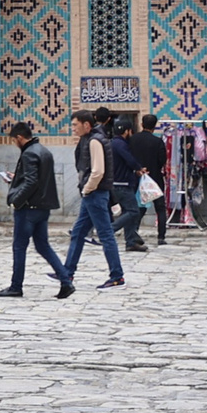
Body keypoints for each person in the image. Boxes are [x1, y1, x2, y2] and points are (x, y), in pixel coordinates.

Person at [0, 119, 66, 298]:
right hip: (43, 207)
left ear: (19, 137)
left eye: (14, 140)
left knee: (19, 246)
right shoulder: (44, 151)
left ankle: (16, 286)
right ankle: (66, 280)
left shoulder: (28, 154)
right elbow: (36, 179)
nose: (14, 144)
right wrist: (16, 177)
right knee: (42, 245)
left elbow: (32, 182)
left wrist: (16, 201)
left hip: (29, 209)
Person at [56, 110, 121, 293]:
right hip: (91, 195)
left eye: (76, 125)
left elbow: (98, 171)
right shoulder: (91, 139)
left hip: (95, 194)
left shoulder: (94, 141)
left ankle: (117, 276)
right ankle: (67, 272)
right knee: (78, 233)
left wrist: (87, 189)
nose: (73, 128)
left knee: (106, 235)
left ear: (87, 125)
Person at [102, 111, 147, 255]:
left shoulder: (111, 143)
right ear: (127, 131)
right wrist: (139, 168)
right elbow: (129, 159)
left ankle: (131, 241)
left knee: (130, 211)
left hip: (117, 183)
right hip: (122, 184)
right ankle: (110, 230)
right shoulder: (120, 144)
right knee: (133, 211)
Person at [129, 113, 171, 243]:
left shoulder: (133, 140)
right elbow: (162, 160)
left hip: (137, 178)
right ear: (154, 126)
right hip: (155, 178)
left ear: (142, 124)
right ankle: (161, 237)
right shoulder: (157, 142)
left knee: (139, 207)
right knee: (160, 208)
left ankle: (134, 233)